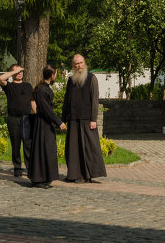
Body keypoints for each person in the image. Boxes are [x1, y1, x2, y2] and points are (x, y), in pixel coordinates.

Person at [62, 54, 106, 183]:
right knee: (73, 149)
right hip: (73, 119)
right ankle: (74, 175)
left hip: (87, 119)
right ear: (73, 65)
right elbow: (67, 100)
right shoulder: (71, 80)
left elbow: (94, 100)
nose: (79, 66)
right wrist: (63, 119)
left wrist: (93, 119)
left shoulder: (92, 78)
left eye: (81, 63)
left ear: (84, 63)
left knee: (89, 148)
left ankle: (88, 175)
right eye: (76, 64)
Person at [28, 65, 67, 189]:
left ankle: (45, 177)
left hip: (46, 123)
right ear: (52, 75)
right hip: (42, 123)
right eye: (55, 74)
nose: (56, 76)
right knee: (42, 149)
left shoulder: (44, 88)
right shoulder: (41, 90)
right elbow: (46, 109)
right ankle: (38, 179)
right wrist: (59, 122)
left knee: (47, 149)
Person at [0, 64, 35, 178]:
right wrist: (14, 71)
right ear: (12, 73)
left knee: (28, 145)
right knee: (16, 145)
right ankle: (17, 168)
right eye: (16, 72)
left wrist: (37, 113)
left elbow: (32, 102)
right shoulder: (8, 86)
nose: (19, 73)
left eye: (21, 71)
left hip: (27, 119)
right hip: (13, 119)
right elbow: (1, 78)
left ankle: (30, 168)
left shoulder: (28, 86)